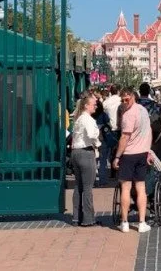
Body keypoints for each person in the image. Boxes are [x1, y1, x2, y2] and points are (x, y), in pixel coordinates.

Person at [114, 87, 152, 233]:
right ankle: (142, 222)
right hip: (142, 152)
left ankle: (124, 222)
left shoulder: (128, 115)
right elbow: (148, 131)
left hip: (129, 154)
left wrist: (117, 156)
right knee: (141, 188)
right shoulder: (143, 110)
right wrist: (148, 149)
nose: (124, 102)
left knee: (126, 187)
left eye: (126, 99)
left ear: (133, 97)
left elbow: (125, 137)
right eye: (122, 100)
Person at [70, 93, 100, 226]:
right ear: (87, 105)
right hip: (86, 152)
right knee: (88, 187)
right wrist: (97, 143)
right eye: (94, 104)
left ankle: (76, 217)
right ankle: (88, 219)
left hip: (76, 152)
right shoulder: (88, 119)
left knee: (79, 186)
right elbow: (92, 134)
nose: (96, 106)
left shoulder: (78, 119)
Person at [92, 97, 113, 186]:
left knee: (93, 161)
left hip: (93, 140)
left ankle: (93, 180)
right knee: (103, 160)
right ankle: (102, 180)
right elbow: (109, 125)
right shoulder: (104, 115)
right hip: (103, 138)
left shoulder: (90, 116)